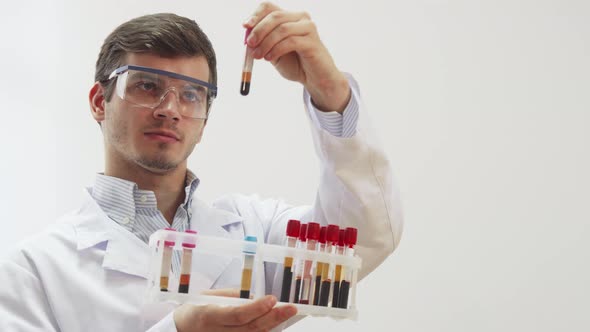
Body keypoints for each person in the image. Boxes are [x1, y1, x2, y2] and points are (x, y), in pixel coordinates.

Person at [0, 2, 402, 331]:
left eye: (192, 94)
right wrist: (177, 330)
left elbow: (362, 236)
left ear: (205, 118)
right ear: (98, 102)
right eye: (147, 85)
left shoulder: (254, 233)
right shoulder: (33, 271)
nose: (170, 109)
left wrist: (329, 90)